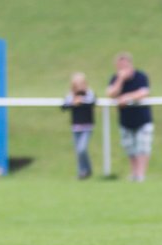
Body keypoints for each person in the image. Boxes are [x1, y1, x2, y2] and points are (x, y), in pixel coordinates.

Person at [105, 53, 152, 182]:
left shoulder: (140, 76)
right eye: (120, 66)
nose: (123, 68)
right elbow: (110, 93)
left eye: (125, 65)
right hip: (125, 120)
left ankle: (141, 175)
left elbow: (144, 92)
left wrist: (127, 97)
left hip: (142, 119)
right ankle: (134, 173)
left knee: (143, 147)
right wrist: (120, 80)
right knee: (130, 148)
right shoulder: (115, 78)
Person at [60, 72, 96, 179]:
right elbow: (63, 106)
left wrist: (81, 101)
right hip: (76, 127)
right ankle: (82, 172)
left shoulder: (89, 93)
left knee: (82, 149)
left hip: (87, 126)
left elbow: (92, 102)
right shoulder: (71, 95)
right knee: (78, 151)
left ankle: (88, 169)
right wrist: (73, 103)